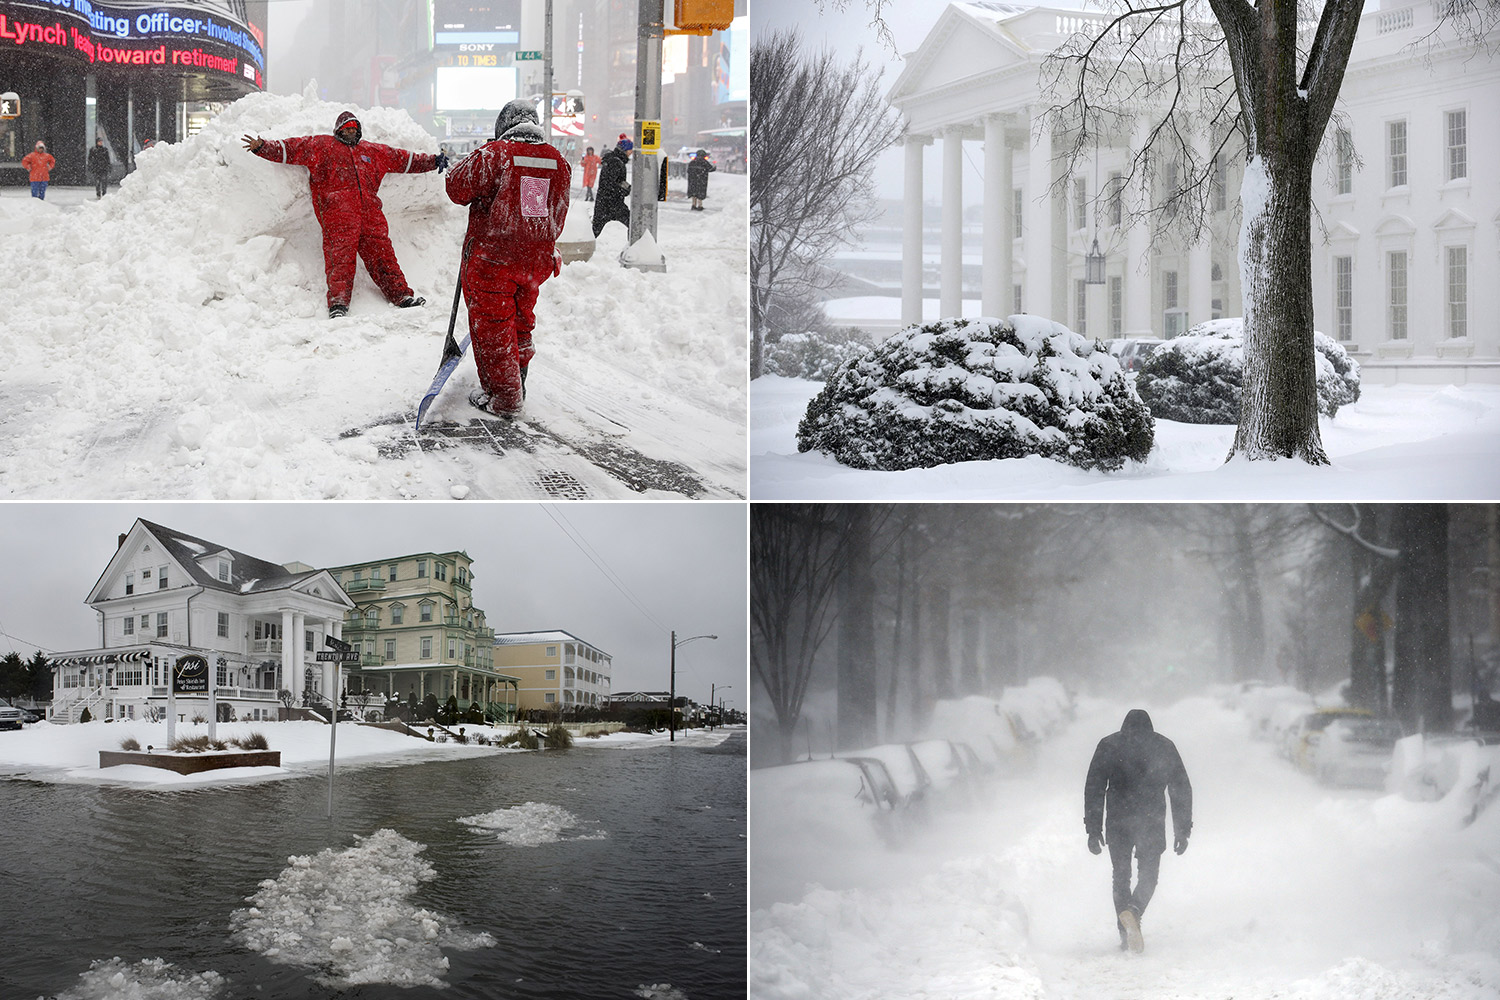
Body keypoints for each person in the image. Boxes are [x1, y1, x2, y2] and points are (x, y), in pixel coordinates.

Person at [241, 111, 449, 318]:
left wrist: (432, 161)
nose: (350, 131)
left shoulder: (373, 151)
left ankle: (401, 295)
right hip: (337, 215)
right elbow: (293, 148)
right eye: (346, 128)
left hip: (370, 214)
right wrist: (262, 147)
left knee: (383, 256)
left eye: (353, 128)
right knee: (339, 259)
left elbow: (402, 159)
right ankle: (338, 304)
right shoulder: (322, 146)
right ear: (338, 129)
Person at [445, 99, 571, 417]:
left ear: (504, 126)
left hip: (494, 261)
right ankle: (519, 380)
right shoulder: (558, 161)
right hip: (535, 261)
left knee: (493, 327)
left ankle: (505, 398)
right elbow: (559, 212)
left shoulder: (496, 154)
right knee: (520, 323)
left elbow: (455, 187)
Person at [1083, 708, 1192, 953]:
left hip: (1118, 821)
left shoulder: (1109, 745)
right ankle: (1134, 911)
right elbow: (1180, 788)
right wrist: (1182, 830)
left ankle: (1125, 933)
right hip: (1151, 820)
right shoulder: (1164, 746)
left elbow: (1094, 788)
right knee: (1149, 876)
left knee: (1121, 877)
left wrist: (1093, 829)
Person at [590, 137, 632, 237]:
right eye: (630, 150)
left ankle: (581, 248)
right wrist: (625, 190)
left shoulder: (613, 160)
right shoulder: (616, 162)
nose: (631, 152)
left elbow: (616, 181)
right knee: (634, 225)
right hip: (613, 203)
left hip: (604, 203)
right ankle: (635, 247)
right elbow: (611, 183)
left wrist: (626, 187)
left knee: (593, 232)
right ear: (625, 150)